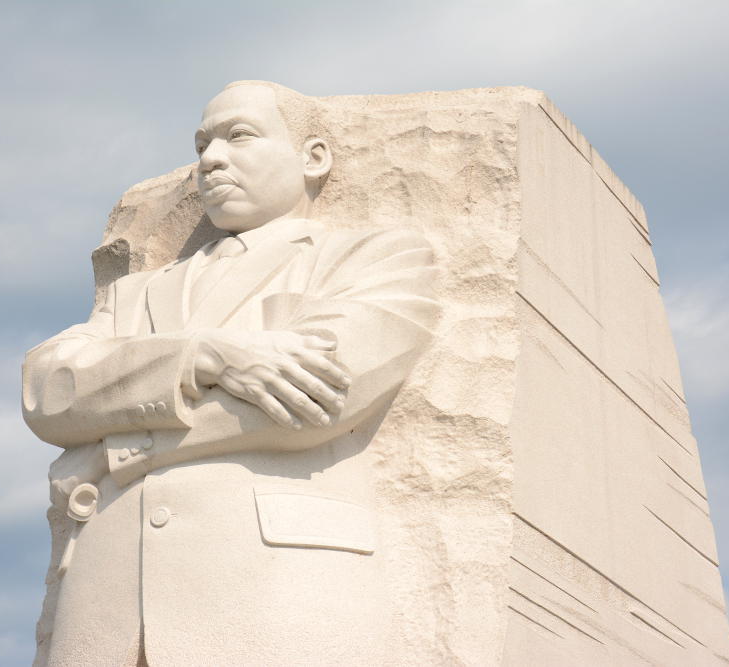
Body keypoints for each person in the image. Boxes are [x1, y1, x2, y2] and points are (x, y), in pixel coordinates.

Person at [22, 81, 439, 666]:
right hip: (105, 612)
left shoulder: (372, 257)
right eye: (202, 145)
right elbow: (48, 389)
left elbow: (316, 400)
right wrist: (201, 357)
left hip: (275, 593)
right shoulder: (134, 294)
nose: (211, 159)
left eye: (239, 136)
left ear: (314, 157)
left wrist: (120, 445)